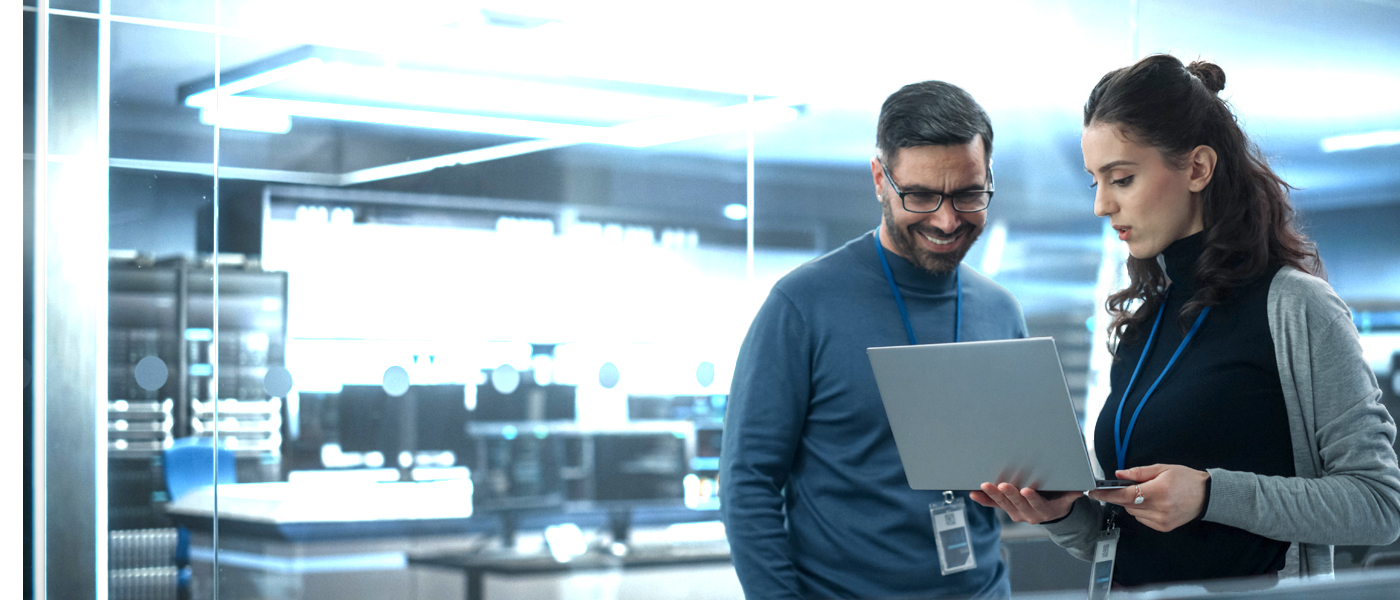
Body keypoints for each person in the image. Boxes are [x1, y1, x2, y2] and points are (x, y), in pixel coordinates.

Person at [971, 54, 1400, 588]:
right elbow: (1124, 537)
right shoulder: (1143, 323)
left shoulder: (1295, 306)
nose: (1103, 205)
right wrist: (1061, 514)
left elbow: (1379, 504)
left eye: (1122, 178)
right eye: (1094, 183)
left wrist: (1209, 495)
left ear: (1197, 168)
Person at [720, 81, 1026, 599]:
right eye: (922, 195)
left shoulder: (1000, 312)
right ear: (880, 180)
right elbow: (747, 483)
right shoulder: (802, 306)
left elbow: (1017, 475)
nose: (947, 220)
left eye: (969, 194)